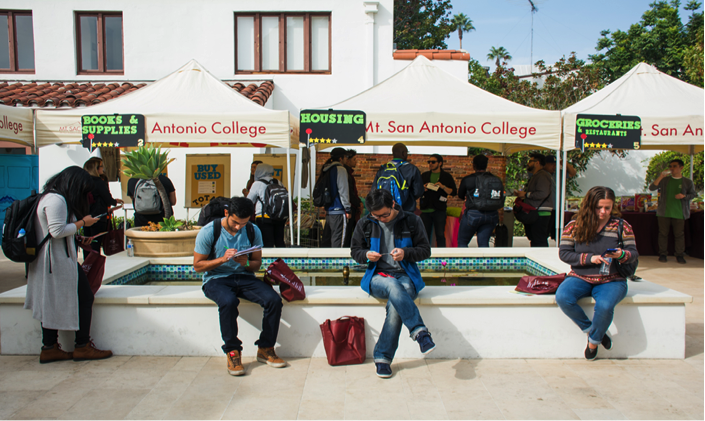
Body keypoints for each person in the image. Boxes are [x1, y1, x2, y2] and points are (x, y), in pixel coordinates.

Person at [25, 166, 113, 364]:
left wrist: (78, 238)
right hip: (56, 261)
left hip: (52, 260)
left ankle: (50, 347)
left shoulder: (48, 197)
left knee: (50, 301)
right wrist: (83, 222)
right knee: (85, 297)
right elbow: (56, 231)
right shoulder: (57, 200)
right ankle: (82, 346)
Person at [194, 197, 286, 376]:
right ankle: (233, 351)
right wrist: (222, 259)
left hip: (244, 277)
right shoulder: (209, 232)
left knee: (274, 300)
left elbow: (256, 264)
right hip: (216, 279)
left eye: (242, 224)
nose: (238, 227)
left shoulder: (253, 230)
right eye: (235, 222)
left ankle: (266, 348)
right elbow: (198, 266)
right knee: (228, 302)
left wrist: (245, 263)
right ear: (226, 213)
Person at [350, 189, 435, 378]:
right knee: (392, 285)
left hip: (405, 275)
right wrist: (365, 255)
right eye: (376, 216)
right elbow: (355, 251)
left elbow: (425, 250)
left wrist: (406, 253)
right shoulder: (365, 223)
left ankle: (383, 358)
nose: (381, 219)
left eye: (385, 214)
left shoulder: (412, 221)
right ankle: (419, 332)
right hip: (377, 277)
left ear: (393, 205)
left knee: (396, 303)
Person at [556, 186, 638, 360]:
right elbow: (564, 253)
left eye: (607, 208)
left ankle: (593, 341)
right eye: (599, 207)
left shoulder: (621, 226)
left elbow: (633, 253)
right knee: (563, 297)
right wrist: (590, 258)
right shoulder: (574, 225)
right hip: (580, 277)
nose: (603, 212)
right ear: (589, 205)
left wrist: (621, 254)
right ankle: (592, 330)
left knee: (605, 306)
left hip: (612, 280)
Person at [649, 159, 698, 264]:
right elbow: (652, 187)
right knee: (663, 234)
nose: (671, 168)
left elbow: (693, 194)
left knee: (679, 234)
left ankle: (679, 255)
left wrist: (684, 196)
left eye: (674, 166)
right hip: (663, 212)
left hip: (679, 212)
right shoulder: (665, 180)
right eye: (670, 166)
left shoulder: (687, 182)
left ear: (681, 168)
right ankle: (663, 254)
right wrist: (661, 176)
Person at [457, 155, 503, 248]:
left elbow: (460, 195)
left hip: (473, 214)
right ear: (486, 165)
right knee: (483, 243)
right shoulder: (495, 179)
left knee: (462, 242)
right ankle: (484, 262)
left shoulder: (468, 179)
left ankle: (463, 262)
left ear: (474, 165)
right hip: (491, 214)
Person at [82, 158, 123, 256]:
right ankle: (95, 265)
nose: (103, 168)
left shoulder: (84, 181)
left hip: (85, 216)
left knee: (87, 242)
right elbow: (108, 199)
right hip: (98, 216)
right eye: (101, 166)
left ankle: (87, 264)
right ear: (95, 168)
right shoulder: (98, 182)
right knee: (96, 243)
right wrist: (115, 201)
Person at [515, 153, 554, 247]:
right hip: (537, 211)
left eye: (530, 161)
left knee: (539, 240)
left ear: (537, 163)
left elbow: (542, 193)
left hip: (540, 213)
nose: (528, 163)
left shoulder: (542, 176)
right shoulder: (537, 175)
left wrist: (526, 194)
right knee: (536, 239)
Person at [373, 143, 424, 213]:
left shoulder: (383, 168)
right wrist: (406, 196)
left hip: (386, 210)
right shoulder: (412, 169)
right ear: (404, 153)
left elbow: (374, 190)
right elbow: (418, 192)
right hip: (406, 209)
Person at [419, 154, 457, 247]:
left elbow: (453, 192)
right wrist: (422, 189)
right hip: (425, 209)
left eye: (433, 162)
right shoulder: (424, 175)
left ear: (440, 163)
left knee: (440, 234)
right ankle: (424, 254)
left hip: (439, 209)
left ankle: (442, 256)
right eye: (429, 162)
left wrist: (443, 186)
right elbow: (416, 190)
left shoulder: (446, 176)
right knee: (425, 235)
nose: (430, 164)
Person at [247, 163, 286, 248]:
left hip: (264, 216)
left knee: (267, 242)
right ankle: (283, 260)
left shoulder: (257, 183)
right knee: (279, 241)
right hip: (279, 216)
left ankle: (268, 261)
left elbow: (250, 200)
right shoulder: (278, 182)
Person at [320, 147, 352, 248]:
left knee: (327, 242)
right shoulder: (340, 169)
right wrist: (348, 208)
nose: (347, 159)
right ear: (341, 158)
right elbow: (343, 190)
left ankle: (325, 263)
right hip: (339, 211)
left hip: (329, 211)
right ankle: (337, 263)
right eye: (345, 157)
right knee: (338, 243)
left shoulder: (326, 169)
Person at [544, 155, 576, 240]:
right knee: (544, 233)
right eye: (552, 164)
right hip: (546, 207)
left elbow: (573, 173)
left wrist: (564, 162)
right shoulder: (542, 174)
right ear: (545, 164)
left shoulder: (559, 173)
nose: (554, 167)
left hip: (558, 207)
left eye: (555, 164)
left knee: (558, 233)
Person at [342, 149, 362, 247]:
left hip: (352, 206)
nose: (356, 162)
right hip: (350, 207)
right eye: (354, 159)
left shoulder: (348, 173)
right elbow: (349, 192)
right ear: (347, 160)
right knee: (348, 233)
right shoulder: (345, 173)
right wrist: (358, 204)